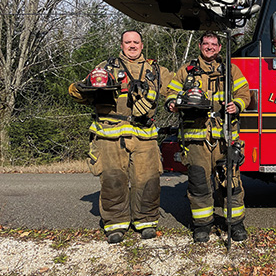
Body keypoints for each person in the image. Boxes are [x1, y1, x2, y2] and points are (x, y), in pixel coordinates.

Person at [68, 30, 173, 243]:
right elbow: (79, 92)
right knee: (113, 180)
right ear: (121, 45)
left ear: (142, 45)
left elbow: (176, 88)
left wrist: (174, 101)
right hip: (110, 135)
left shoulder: (155, 70)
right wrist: (82, 88)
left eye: (136, 42)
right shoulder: (106, 68)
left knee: (148, 181)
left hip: (144, 135)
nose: (132, 46)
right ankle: (115, 224)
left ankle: (146, 222)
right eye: (128, 42)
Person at [166, 31, 251, 243]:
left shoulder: (230, 69)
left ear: (220, 48)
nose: (210, 47)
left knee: (230, 183)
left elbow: (245, 93)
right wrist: (172, 103)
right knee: (199, 184)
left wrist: (237, 105)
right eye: (206, 44)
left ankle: (235, 223)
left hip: (225, 138)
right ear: (200, 46)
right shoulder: (186, 71)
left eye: (214, 44)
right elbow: (171, 92)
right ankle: (202, 225)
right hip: (196, 139)